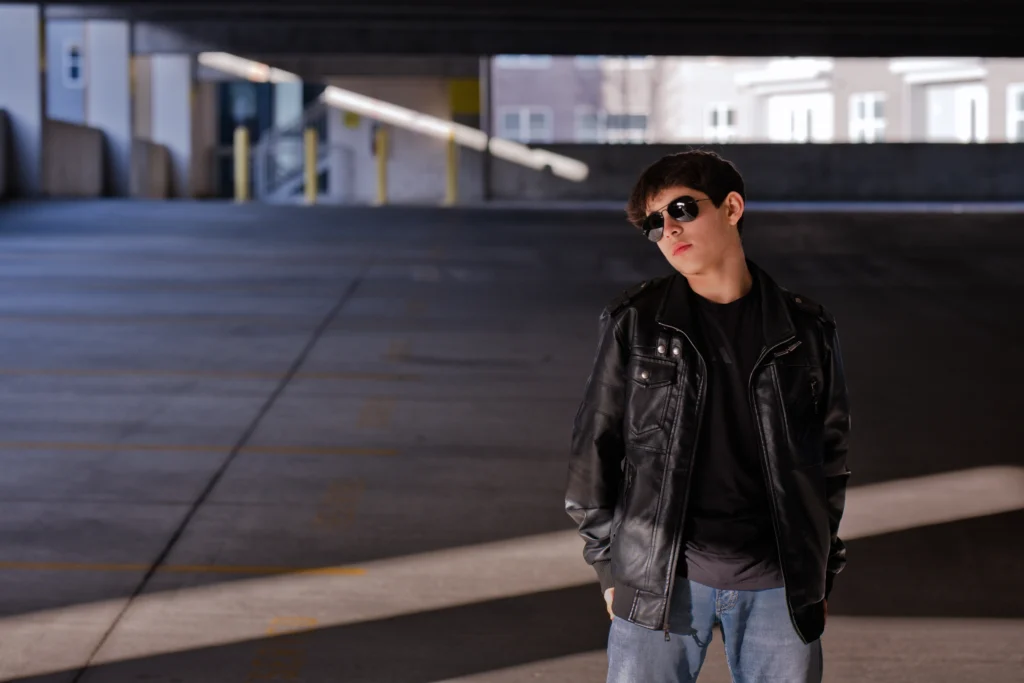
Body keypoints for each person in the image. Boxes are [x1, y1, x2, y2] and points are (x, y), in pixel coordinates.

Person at [564, 150, 851, 683]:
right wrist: (609, 569)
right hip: (660, 582)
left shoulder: (807, 331)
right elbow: (594, 450)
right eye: (654, 224)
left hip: (778, 587)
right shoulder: (637, 323)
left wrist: (818, 575)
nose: (668, 230)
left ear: (732, 207)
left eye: (681, 209)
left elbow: (829, 462)